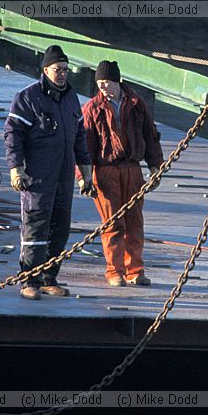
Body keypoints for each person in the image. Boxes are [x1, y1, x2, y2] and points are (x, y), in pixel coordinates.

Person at [4, 45, 93, 300]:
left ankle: (48, 278)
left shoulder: (71, 98)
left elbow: (79, 139)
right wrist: (16, 169)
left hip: (63, 177)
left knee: (59, 229)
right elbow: (13, 135)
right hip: (37, 177)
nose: (62, 74)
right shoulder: (28, 98)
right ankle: (28, 280)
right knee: (35, 229)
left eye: (65, 70)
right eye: (58, 70)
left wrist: (86, 175)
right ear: (45, 70)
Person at [79, 60, 164, 287]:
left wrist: (155, 166)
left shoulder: (137, 104)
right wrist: (84, 178)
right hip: (105, 171)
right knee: (112, 224)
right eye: (99, 83)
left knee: (135, 222)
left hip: (132, 169)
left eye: (106, 82)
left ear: (117, 81)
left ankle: (135, 270)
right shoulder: (91, 109)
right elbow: (83, 147)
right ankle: (114, 271)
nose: (102, 87)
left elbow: (150, 136)